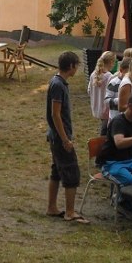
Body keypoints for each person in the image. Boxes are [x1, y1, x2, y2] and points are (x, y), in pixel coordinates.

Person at [45, 51, 87, 223]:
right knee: (71, 173)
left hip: (57, 137)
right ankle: (70, 212)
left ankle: (52, 208)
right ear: (71, 66)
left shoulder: (59, 83)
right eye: (76, 65)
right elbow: (55, 114)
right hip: (59, 138)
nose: (76, 69)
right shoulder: (58, 85)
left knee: (57, 172)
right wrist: (65, 139)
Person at [96, 93, 132, 219]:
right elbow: (119, 143)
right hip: (111, 163)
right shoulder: (118, 122)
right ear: (129, 106)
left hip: (129, 160)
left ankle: (131, 205)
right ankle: (121, 204)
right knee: (130, 181)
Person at [88, 51, 116, 135]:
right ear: (111, 62)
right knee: (105, 130)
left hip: (97, 107)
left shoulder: (93, 74)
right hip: (106, 109)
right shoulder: (110, 77)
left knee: (104, 127)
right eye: (114, 62)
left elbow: (89, 90)